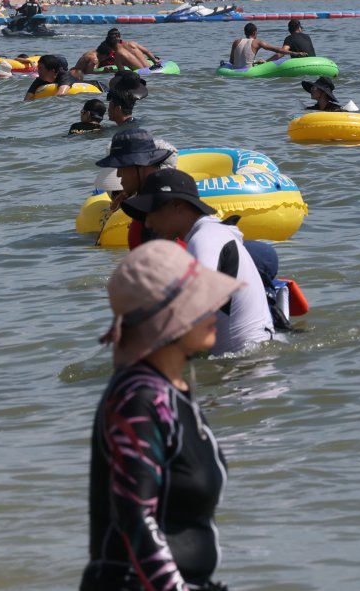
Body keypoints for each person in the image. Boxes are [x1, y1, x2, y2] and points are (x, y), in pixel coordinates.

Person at [82, 240, 237, 591]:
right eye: (199, 302)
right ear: (168, 319)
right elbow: (135, 518)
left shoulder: (173, 390)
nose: (215, 308)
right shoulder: (139, 398)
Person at [122, 169, 276, 356]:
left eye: (150, 212)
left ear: (177, 206)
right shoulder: (211, 233)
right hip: (248, 357)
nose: (147, 223)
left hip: (247, 366)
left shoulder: (206, 238)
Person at [226, 22, 299, 70]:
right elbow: (276, 49)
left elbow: (231, 61)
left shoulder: (236, 42)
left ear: (245, 32)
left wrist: (255, 62)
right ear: (254, 33)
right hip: (248, 72)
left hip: (235, 70)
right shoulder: (257, 42)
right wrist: (294, 53)